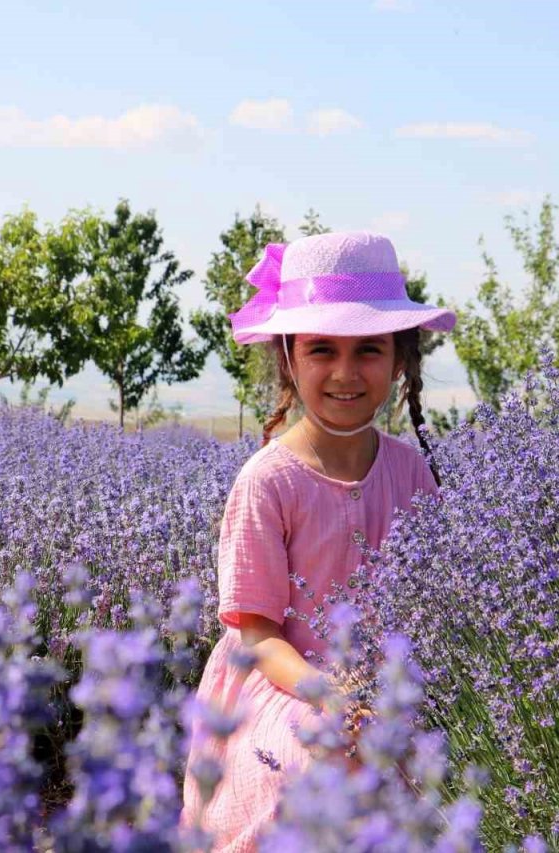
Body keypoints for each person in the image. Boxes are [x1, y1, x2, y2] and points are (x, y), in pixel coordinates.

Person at [179, 231, 455, 850]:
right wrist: (327, 693)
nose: (345, 373)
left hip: (390, 682)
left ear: (401, 359)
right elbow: (257, 635)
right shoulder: (267, 482)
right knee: (313, 764)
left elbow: (435, 604)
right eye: (322, 349)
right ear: (288, 359)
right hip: (286, 682)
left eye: (369, 351)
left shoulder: (411, 472)